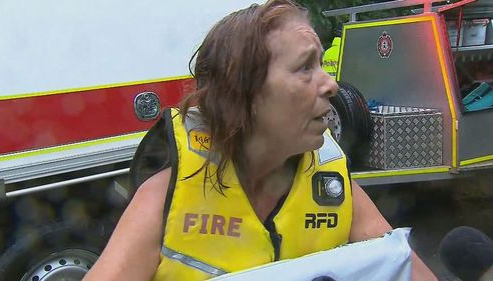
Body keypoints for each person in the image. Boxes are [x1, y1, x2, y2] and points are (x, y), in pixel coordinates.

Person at [83, 1, 437, 280]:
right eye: (304, 67)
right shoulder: (165, 198)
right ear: (243, 95)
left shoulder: (332, 185)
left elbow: (403, 269)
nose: (330, 84)